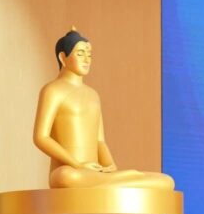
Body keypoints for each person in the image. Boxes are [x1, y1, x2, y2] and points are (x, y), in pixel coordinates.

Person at [33, 28, 174, 189]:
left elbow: (100, 141)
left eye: (89, 55)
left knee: (167, 181)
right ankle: (120, 181)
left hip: (95, 172)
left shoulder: (93, 95)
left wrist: (110, 166)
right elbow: (41, 137)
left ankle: (112, 180)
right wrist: (78, 165)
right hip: (71, 171)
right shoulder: (53, 90)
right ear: (63, 57)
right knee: (65, 177)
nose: (86, 59)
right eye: (80, 54)